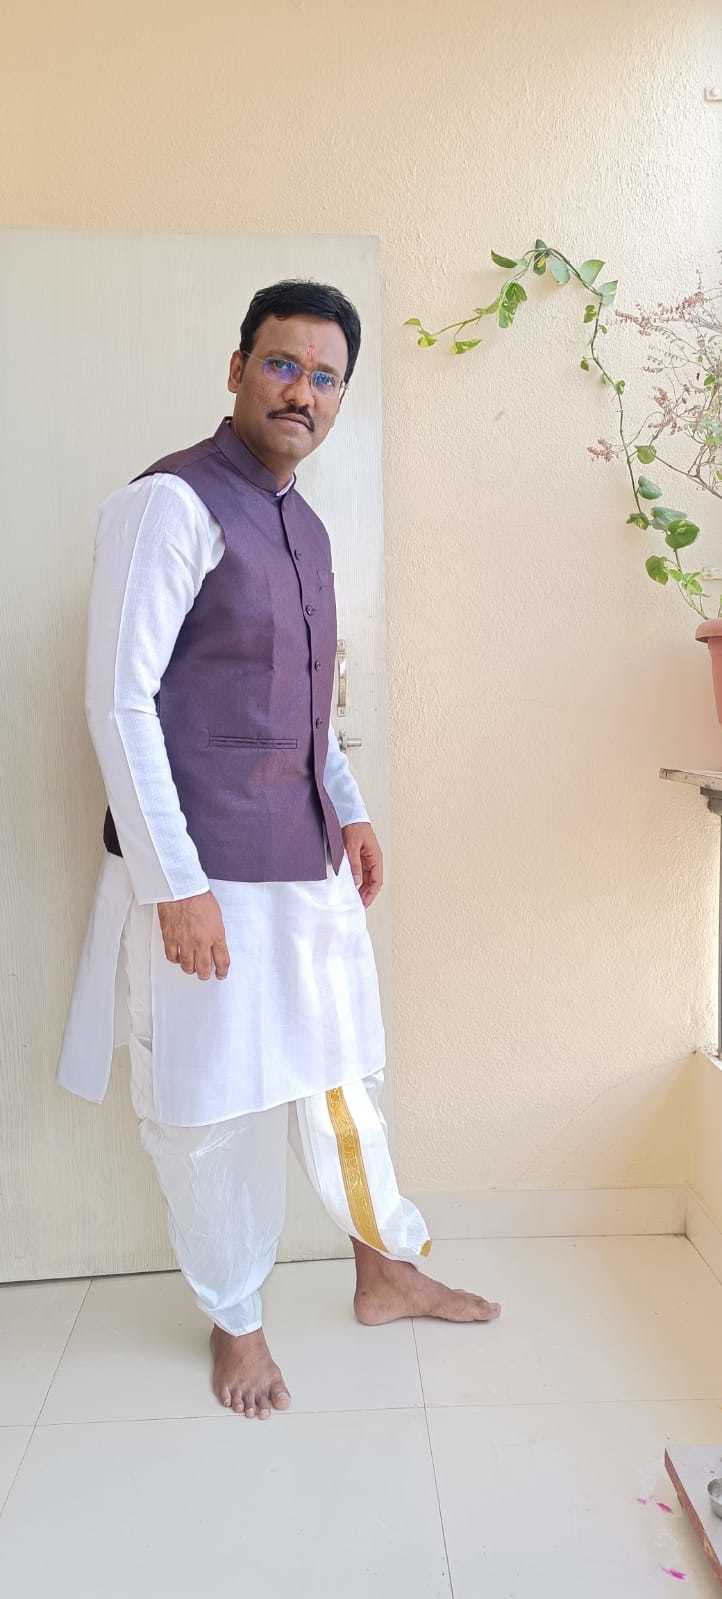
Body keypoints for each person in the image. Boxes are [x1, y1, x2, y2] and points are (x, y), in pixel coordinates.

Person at [57, 278, 501, 1421]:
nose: (301, 391)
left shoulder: (305, 524)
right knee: (212, 1106)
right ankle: (236, 1318)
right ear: (237, 369)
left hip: (304, 864)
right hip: (202, 871)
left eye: (325, 377)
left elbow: (304, 706)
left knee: (343, 1071)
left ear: (341, 398)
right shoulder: (168, 505)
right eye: (281, 365)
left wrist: (347, 804)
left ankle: (382, 1269)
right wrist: (176, 885)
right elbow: (119, 705)